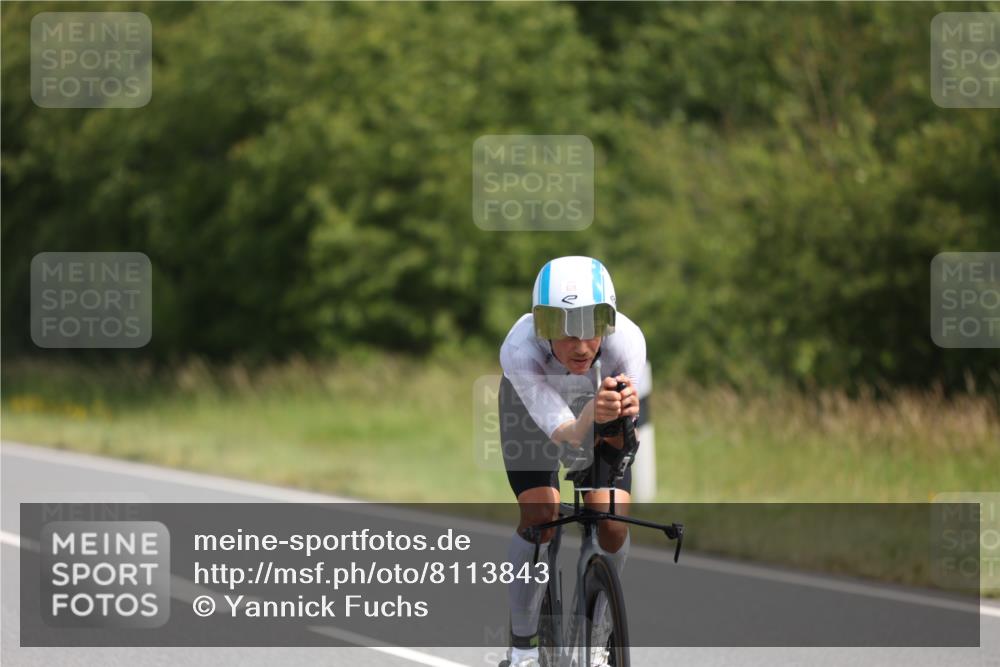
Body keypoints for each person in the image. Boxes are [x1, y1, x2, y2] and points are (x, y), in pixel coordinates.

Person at [498, 256, 646, 667]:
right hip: (533, 413)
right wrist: (591, 416)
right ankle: (522, 648)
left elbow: (620, 441)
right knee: (541, 512)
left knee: (612, 519)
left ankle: (598, 635)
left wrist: (621, 418)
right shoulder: (518, 348)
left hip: (597, 408)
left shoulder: (627, 343)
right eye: (562, 330)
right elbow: (563, 433)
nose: (580, 347)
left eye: (592, 326)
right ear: (540, 325)